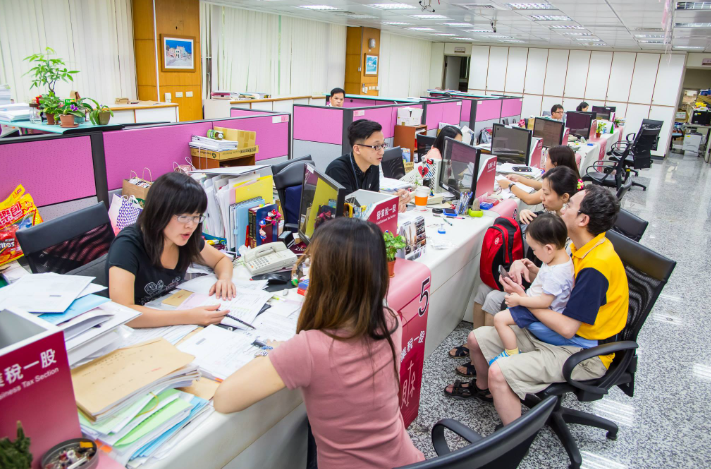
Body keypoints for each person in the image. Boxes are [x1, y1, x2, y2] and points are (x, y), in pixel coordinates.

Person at [213, 217, 425, 469]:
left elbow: (223, 399)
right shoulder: (389, 321)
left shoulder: (310, 348)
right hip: (408, 462)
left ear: (325, 277)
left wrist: (274, 355)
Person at [445, 185, 628, 427]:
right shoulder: (578, 245)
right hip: (553, 333)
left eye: (570, 205)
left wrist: (524, 299)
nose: (563, 209)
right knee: (475, 339)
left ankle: (513, 441)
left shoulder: (596, 267)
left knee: (500, 370)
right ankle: (485, 390)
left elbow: (567, 329)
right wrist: (534, 272)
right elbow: (561, 289)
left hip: (581, 352)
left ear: (583, 219)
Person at [448, 166, 580, 367]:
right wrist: (525, 264)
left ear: (565, 198)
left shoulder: (566, 234)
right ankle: (474, 345)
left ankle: (487, 359)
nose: (540, 197)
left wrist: (521, 294)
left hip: (538, 298)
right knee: (483, 289)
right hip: (535, 286)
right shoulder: (549, 220)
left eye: (545, 193)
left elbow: (554, 288)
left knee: (492, 298)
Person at [107, 172, 235, 328]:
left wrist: (225, 278)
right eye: (184, 217)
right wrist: (189, 317)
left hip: (171, 317)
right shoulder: (127, 245)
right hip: (136, 330)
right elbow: (124, 312)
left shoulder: (184, 237)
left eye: (196, 217)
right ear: (160, 212)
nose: (191, 225)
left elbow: (221, 260)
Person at [491, 213, 580, 364]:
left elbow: (545, 302)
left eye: (534, 249)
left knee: (500, 319)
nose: (533, 253)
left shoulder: (556, 273)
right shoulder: (560, 260)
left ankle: (511, 354)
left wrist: (520, 299)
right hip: (533, 301)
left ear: (548, 248)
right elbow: (552, 286)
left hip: (537, 309)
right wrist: (536, 270)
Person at [326, 119, 411, 212]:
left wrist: (394, 199)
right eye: (376, 146)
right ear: (357, 149)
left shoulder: (373, 165)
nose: (382, 151)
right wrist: (389, 205)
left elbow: (373, 198)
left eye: (383, 145)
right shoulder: (337, 170)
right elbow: (349, 212)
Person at [498, 145, 580, 204]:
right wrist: (520, 179)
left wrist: (510, 185)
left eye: (547, 159)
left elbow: (529, 199)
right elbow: (541, 186)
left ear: (555, 164)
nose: (544, 163)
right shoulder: (569, 178)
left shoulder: (561, 182)